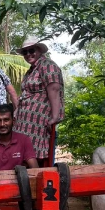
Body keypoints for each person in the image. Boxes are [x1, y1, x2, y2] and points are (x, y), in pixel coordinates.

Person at [13, 36, 64, 167]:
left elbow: (54, 89)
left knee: (35, 155)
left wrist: (54, 116)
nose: (28, 54)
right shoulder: (32, 69)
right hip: (26, 123)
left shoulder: (47, 65)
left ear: (39, 50)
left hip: (38, 122)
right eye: (25, 52)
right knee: (24, 154)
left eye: (31, 50)